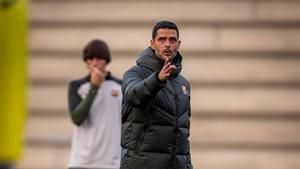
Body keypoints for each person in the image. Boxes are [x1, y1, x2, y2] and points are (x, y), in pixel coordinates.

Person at [121, 21, 193, 169]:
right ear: (152, 43)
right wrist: (157, 80)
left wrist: (188, 165)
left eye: (172, 40)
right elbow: (133, 96)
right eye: (162, 39)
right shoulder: (135, 73)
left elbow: (183, 133)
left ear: (178, 44)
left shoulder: (183, 83)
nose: (167, 44)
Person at [67, 39, 122, 169]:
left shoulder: (120, 86)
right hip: (81, 162)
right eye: (90, 59)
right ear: (85, 62)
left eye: (99, 58)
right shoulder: (76, 86)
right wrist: (94, 87)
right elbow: (77, 118)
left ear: (106, 60)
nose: (95, 63)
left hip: (112, 162)